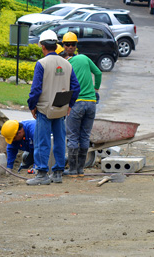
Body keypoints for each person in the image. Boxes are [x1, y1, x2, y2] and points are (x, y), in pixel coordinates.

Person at [26, 30, 80, 185]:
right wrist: (69, 104)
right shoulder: (67, 64)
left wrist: (32, 105)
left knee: (42, 141)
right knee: (60, 140)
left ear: (43, 46)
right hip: (61, 108)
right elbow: (75, 88)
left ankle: (42, 174)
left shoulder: (41, 64)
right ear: (56, 45)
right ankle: (57, 173)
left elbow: (36, 89)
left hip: (44, 109)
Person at [60, 32, 101, 177]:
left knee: (72, 137)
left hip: (76, 104)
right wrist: (96, 89)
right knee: (84, 137)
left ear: (64, 46)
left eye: (70, 44)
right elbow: (98, 73)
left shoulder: (65, 64)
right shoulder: (85, 58)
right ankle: (81, 170)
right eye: (69, 44)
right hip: (91, 104)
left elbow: (62, 86)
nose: (70, 46)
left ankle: (72, 171)